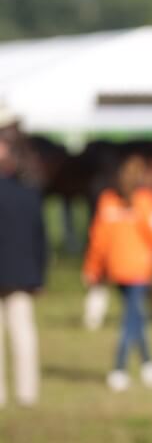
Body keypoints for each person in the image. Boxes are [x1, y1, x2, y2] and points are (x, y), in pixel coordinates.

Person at [82, 155, 152, 392]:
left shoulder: (107, 201)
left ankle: (148, 364)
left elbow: (98, 240)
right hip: (139, 271)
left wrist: (93, 268)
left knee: (135, 316)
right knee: (130, 320)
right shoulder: (146, 202)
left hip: (117, 270)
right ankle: (119, 368)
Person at [0, 105, 48, 408]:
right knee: (23, 334)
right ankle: (27, 392)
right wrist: (39, 275)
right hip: (22, 275)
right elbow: (40, 239)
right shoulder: (30, 193)